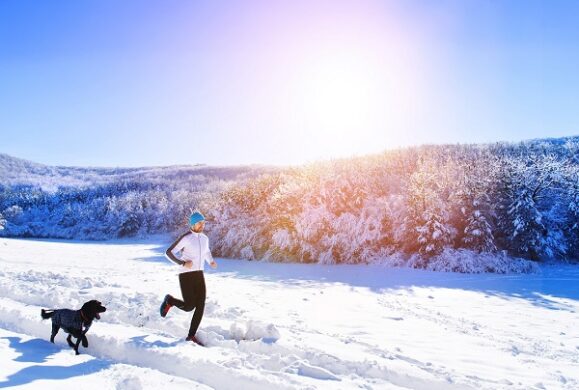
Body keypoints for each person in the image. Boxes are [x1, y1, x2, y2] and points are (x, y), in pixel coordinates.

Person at [159, 211, 217, 346]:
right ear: (193, 224)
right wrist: (183, 263)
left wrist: (211, 261)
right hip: (186, 275)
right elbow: (169, 252)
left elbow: (206, 251)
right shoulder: (186, 237)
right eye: (199, 223)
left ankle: (191, 336)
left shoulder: (205, 238)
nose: (202, 225)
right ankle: (170, 300)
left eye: (203, 223)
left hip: (199, 274)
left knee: (201, 305)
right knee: (189, 306)